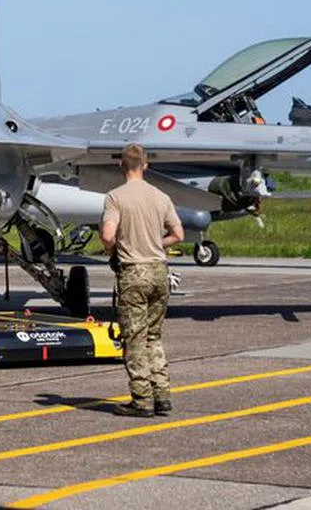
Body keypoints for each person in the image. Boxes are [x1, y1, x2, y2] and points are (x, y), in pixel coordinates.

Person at [100, 143, 184, 417]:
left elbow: (108, 235)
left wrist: (114, 252)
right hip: (159, 271)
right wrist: (155, 243)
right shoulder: (161, 196)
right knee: (153, 336)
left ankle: (142, 400)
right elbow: (178, 234)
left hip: (133, 272)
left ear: (121, 166)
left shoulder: (115, 197)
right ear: (145, 165)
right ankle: (162, 395)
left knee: (134, 339)